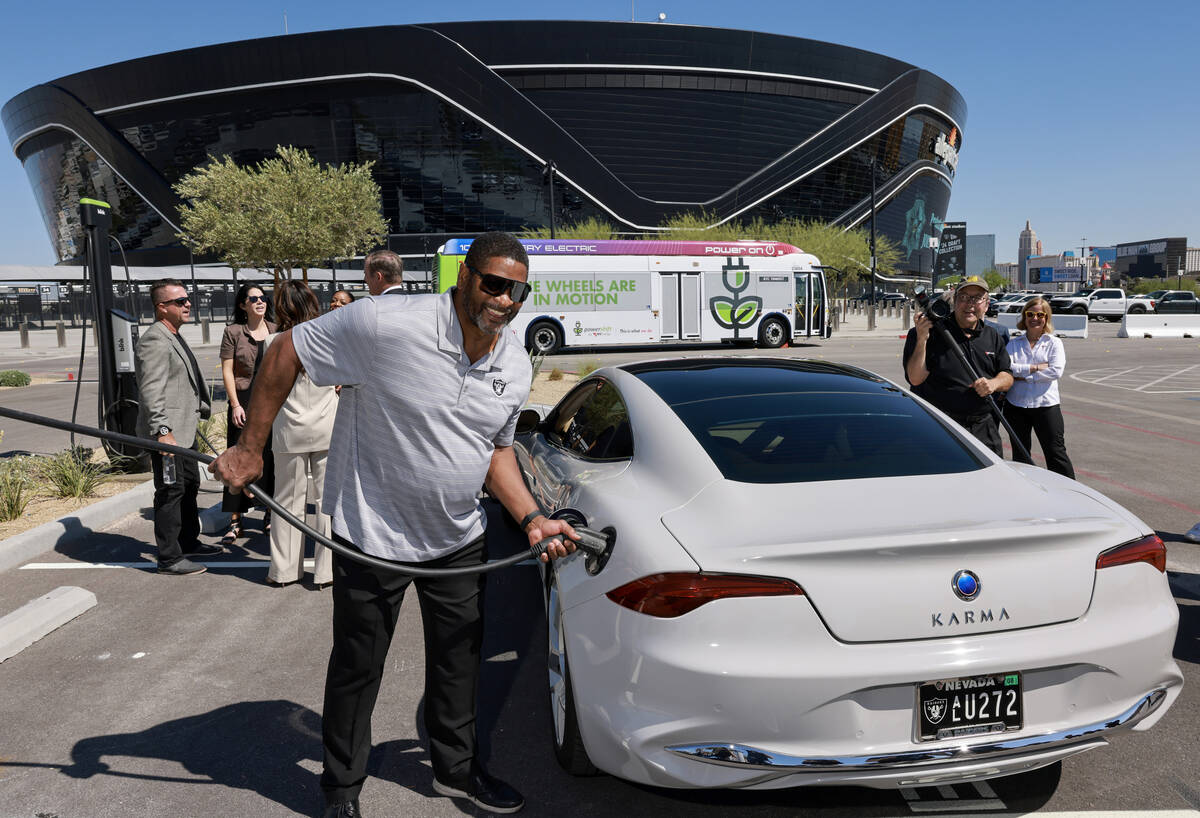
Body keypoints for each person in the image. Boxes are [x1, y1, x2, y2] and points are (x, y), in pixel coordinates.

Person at [208, 232, 578, 818]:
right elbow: (284, 351)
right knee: (358, 667)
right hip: (372, 534)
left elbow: (496, 452)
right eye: (494, 283)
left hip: (459, 538)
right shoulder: (386, 323)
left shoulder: (514, 361)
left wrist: (531, 516)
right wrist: (252, 447)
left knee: (460, 662)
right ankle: (341, 789)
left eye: (518, 289)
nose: (505, 299)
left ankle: (456, 771)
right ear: (464, 278)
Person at [135, 279, 220, 575]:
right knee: (170, 491)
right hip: (168, 435)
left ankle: (188, 542)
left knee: (190, 485)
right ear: (162, 308)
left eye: (187, 299)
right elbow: (151, 390)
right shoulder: (155, 340)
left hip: (182, 431)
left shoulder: (172, 335)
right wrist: (162, 432)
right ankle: (169, 558)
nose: (188, 304)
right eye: (180, 301)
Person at [264, 281, 337, 588]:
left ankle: (284, 571)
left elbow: (267, 391)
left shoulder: (272, 342)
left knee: (286, 501)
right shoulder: (330, 338)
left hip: (288, 428)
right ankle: (326, 572)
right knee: (325, 502)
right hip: (326, 424)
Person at [903, 275, 1014, 456]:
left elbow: (1007, 376)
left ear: (986, 304)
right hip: (942, 425)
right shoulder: (932, 332)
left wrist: (993, 384)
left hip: (983, 427)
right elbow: (915, 379)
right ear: (954, 301)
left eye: (977, 298)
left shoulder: (992, 336)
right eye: (963, 297)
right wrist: (922, 338)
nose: (970, 303)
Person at [219, 283, 277, 544]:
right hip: (243, 400)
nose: (260, 302)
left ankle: (269, 516)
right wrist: (234, 405)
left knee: (271, 459)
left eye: (263, 297)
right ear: (243, 305)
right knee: (238, 458)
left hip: (271, 402)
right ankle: (235, 520)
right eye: (253, 298)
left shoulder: (277, 330)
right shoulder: (233, 332)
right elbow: (227, 371)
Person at [1003, 298, 1076, 478]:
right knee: (1021, 454)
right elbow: (1008, 368)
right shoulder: (1013, 343)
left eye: (1040, 315)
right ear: (1024, 316)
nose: (1035, 318)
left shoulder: (1054, 343)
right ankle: (1025, 491)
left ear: (1046, 318)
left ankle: (1069, 490)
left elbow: (1056, 371)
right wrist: (1035, 368)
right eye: (1030, 314)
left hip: (1046, 406)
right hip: (1016, 405)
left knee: (1055, 451)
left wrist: (1022, 376)